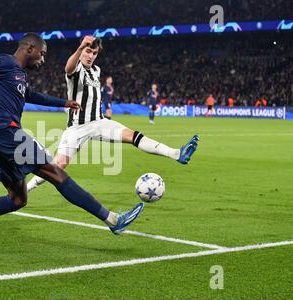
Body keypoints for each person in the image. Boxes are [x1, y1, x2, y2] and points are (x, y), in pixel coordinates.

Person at [0, 33, 144, 252]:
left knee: (17, 199)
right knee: (56, 173)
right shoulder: (4, 62)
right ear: (29, 48)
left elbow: (31, 95)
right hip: (6, 132)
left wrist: (63, 102)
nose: (43, 60)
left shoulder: (19, 75)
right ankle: (113, 220)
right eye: (42, 54)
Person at [27, 35, 199, 192]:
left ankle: (176, 153)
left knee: (132, 135)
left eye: (94, 53)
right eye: (88, 51)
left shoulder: (97, 71)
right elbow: (68, 68)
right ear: (81, 52)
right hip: (78, 127)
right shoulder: (76, 70)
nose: (90, 56)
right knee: (60, 164)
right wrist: (80, 47)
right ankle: (27, 188)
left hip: (100, 123)